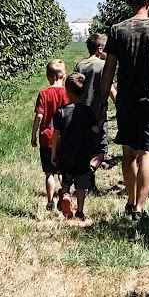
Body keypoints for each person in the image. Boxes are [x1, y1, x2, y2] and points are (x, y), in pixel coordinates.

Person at [96, 0, 149, 221]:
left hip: (126, 100)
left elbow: (109, 69)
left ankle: (131, 201)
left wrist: (103, 101)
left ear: (130, 4)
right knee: (147, 152)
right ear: (148, 2)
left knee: (128, 152)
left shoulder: (117, 30)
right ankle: (140, 208)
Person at [51, 71, 96, 220]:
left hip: (65, 154)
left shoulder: (61, 111)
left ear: (67, 92)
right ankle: (80, 210)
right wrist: (101, 120)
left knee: (66, 181)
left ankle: (65, 195)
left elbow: (56, 134)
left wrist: (53, 153)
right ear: (83, 93)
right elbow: (96, 129)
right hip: (83, 155)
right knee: (81, 185)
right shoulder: (87, 111)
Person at [31, 58, 68, 212]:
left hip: (46, 138)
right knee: (63, 171)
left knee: (49, 173)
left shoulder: (43, 94)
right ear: (64, 76)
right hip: (63, 138)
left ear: (49, 77)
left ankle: (50, 201)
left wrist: (33, 134)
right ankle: (64, 194)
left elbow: (39, 115)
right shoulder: (67, 93)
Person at [76, 29, 114, 166]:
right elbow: (110, 89)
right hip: (98, 114)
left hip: (81, 114)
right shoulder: (103, 66)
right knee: (99, 149)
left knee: (85, 147)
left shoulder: (80, 65)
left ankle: (86, 174)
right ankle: (90, 171)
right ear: (100, 49)